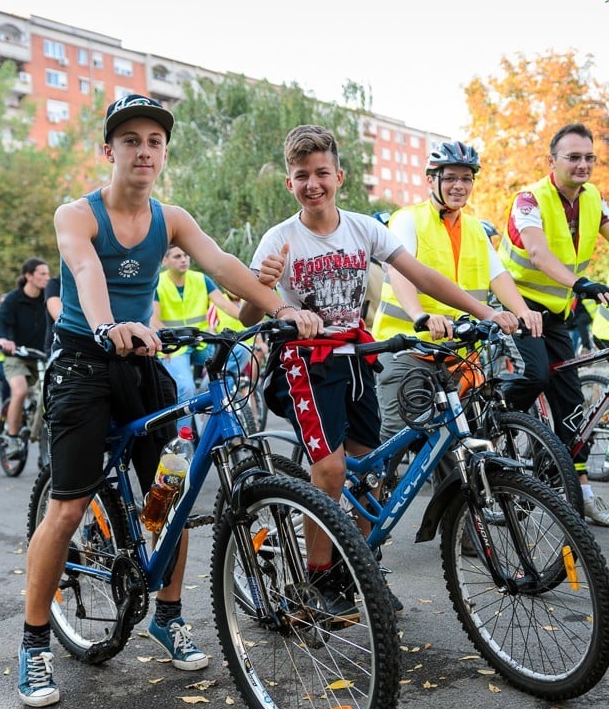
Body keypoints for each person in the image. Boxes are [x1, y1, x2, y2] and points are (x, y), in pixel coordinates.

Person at [18, 94, 321, 708]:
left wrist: (281, 307)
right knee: (70, 507)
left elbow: (225, 264)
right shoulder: (79, 214)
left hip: (141, 360)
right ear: (110, 151)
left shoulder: (171, 218)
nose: (144, 150)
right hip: (83, 362)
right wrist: (106, 326)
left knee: (171, 491)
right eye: (130, 140)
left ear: (163, 152)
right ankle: (34, 643)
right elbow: (85, 270)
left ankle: (168, 614)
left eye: (154, 141)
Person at [239, 124, 519, 620]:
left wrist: (485, 312)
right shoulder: (279, 239)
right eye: (301, 176)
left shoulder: (364, 229)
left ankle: (360, 570)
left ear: (339, 176)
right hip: (305, 364)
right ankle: (319, 577)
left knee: (369, 472)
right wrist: (258, 288)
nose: (313, 184)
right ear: (290, 183)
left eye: (321, 173)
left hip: (357, 358)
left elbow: (425, 276)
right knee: (329, 469)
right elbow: (247, 315)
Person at [371, 141, 542, 443]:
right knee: (396, 440)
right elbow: (399, 272)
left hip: (457, 352)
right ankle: (370, 488)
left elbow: (498, 275)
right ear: (430, 180)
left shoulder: (476, 228)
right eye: (450, 178)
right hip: (408, 349)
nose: (459, 186)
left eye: (466, 179)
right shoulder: (408, 219)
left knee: (456, 449)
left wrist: (521, 311)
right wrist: (419, 315)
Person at [498, 122, 609, 526]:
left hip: (558, 313)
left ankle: (580, 491)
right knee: (536, 374)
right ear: (552, 161)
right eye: (573, 157)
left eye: (589, 158)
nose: (583, 165)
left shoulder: (594, 197)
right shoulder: (529, 199)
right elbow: (540, 253)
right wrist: (582, 283)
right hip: (518, 304)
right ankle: (495, 420)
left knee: (571, 408)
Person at [150, 246, 245, 427]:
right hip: (174, 347)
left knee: (240, 351)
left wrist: (251, 317)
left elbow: (225, 305)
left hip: (200, 343)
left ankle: (206, 393)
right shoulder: (158, 283)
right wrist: (168, 340)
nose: (183, 259)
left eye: (186, 255)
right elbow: (154, 319)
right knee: (185, 388)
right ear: (165, 261)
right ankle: (182, 444)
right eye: (177, 256)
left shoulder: (201, 280)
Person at [0, 259, 50, 457]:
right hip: (16, 356)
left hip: (42, 356)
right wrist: (3, 339)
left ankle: (43, 439)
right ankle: (13, 438)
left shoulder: (48, 298)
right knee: (20, 391)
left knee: (50, 395)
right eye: (42, 273)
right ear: (29, 276)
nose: (46, 277)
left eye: (47, 273)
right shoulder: (13, 299)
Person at [43, 275, 62, 355]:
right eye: (43, 274)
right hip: (61, 351)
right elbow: (59, 318)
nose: (47, 277)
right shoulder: (55, 284)